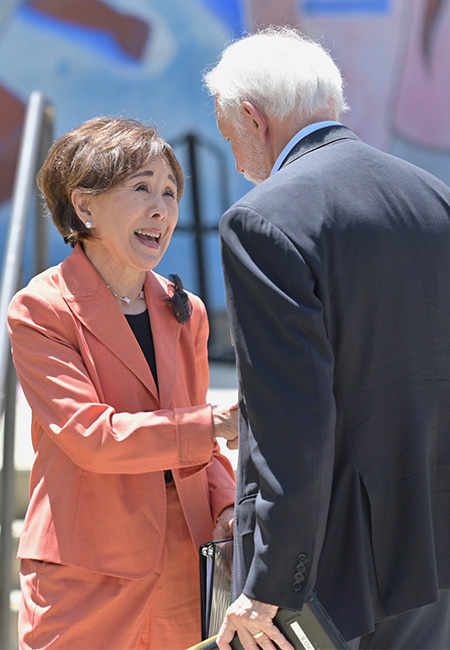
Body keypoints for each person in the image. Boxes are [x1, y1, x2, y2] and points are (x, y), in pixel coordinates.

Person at [203, 26, 450, 650]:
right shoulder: (433, 195)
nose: (234, 158)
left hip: (347, 571)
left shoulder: (264, 219)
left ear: (254, 118)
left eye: (229, 135)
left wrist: (268, 584)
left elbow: (296, 424)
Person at [7, 116, 239, 650]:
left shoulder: (189, 312)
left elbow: (198, 444)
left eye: (170, 192)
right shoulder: (41, 308)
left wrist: (225, 503)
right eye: (141, 189)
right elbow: (92, 436)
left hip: (186, 564)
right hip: (87, 571)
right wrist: (215, 425)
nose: (162, 208)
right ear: (84, 206)